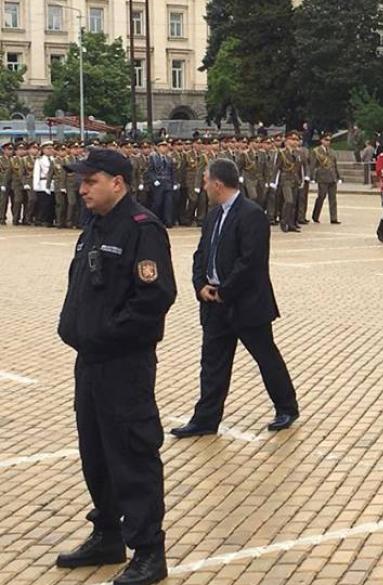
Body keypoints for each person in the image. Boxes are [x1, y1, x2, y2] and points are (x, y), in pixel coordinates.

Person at [56, 147, 176, 585]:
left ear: (117, 183)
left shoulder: (143, 230)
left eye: (90, 181)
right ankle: (107, 533)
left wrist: (102, 334)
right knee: (97, 453)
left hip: (124, 364)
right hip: (90, 363)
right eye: (81, 181)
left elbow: (153, 300)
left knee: (132, 454)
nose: (82, 188)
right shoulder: (95, 225)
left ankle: (148, 550)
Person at [171, 158, 300, 438]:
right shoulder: (214, 215)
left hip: (245, 303)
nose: (203, 185)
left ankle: (286, 407)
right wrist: (200, 285)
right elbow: (201, 254)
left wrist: (224, 291)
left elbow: (251, 262)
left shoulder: (251, 214)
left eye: (205, 180)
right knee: (212, 363)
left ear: (217, 184)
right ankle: (205, 420)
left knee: (265, 357)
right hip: (214, 303)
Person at [310, 133, 341, 224]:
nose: (328, 142)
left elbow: (335, 165)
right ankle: (315, 215)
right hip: (322, 176)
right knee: (321, 196)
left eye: (329, 140)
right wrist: (312, 176)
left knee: (333, 198)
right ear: (322, 140)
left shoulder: (332, 151)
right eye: (326, 140)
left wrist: (338, 176)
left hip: (332, 176)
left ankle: (333, 218)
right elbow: (313, 165)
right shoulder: (316, 151)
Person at [146, 141, 177, 227]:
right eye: (162, 146)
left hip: (168, 182)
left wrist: (174, 182)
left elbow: (173, 172)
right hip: (158, 183)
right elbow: (150, 170)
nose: (164, 148)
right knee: (157, 203)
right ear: (158, 148)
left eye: (165, 146)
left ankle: (168, 221)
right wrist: (154, 180)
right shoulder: (153, 158)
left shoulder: (169, 158)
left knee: (168, 203)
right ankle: (155, 220)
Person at [32, 141, 56, 227]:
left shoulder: (55, 159)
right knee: (44, 203)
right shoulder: (40, 160)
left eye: (51, 148)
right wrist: (36, 186)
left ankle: (50, 219)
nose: (50, 150)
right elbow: (36, 174)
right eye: (47, 148)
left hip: (53, 183)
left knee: (52, 203)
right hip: (43, 183)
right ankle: (43, 219)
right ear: (43, 150)